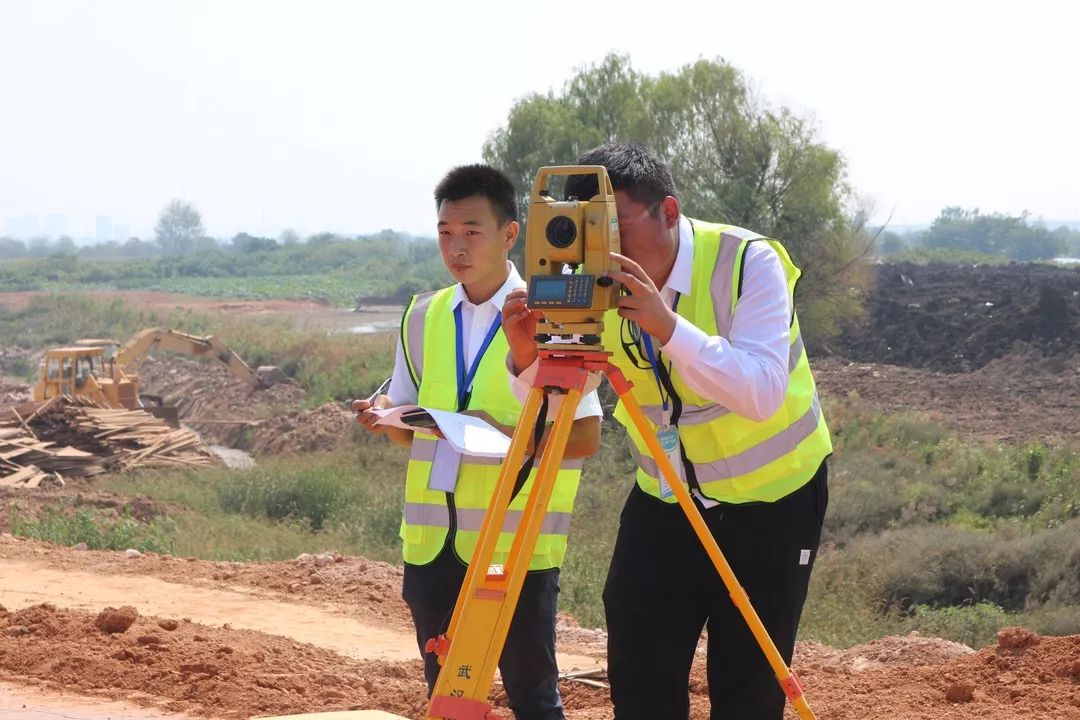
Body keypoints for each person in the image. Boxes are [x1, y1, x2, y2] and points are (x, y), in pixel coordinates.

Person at [502, 143, 831, 720]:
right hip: (668, 497)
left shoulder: (746, 261)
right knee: (639, 670)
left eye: (616, 226)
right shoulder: (585, 276)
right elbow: (558, 404)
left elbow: (761, 392)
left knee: (747, 688)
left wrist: (667, 326)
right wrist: (527, 354)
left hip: (774, 500)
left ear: (669, 212)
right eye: (590, 229)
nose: (604, 248)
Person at [353, 163, 602, 720]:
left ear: (510, 234)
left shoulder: (551, 311)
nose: (456, 247)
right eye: (445, 232)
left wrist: (511, 437)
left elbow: (585, 435)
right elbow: (406, 434)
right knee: (446, 699)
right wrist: (386, 418)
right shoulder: (422, 316)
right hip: (433, 545)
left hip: (513, 546)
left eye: (471, 231)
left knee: (531, 698)